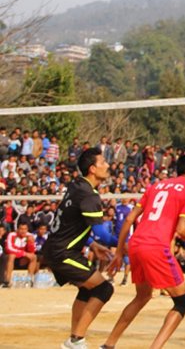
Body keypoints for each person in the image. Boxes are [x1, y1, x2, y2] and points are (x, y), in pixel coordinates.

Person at [101, 155, 185, 349]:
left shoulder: (157, 185)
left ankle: (108, 345)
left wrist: (119, 252)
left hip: (136, 244)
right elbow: (182, 229)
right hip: (156, 247)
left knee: (142, 296)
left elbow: (129, 220)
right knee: (183, 302)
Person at [42, 147, 116, 349]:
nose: (108, 165)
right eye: (103, 162)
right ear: (92, 168)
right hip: (62, 252)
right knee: (104, 289)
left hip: (57, 248)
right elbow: (103, 234)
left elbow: (70, 222)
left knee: (87, 289)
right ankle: (76, 341)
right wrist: (127, 241)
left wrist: (92, 244)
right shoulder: (89, 196)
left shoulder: (77, 185)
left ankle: (75, 338)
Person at [4, 221, 38, 286]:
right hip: (12, 258)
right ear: (18, 229)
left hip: (23, 259)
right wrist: (24, 254)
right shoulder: (12, 235)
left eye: (25, 229)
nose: (23, 231)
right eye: (21, 229)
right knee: (11, 256)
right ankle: (7, 281)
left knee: (34, 257)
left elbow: (32, 251)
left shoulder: (30, 236)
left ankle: (29, 280)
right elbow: (9, 249)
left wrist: (30, 243)